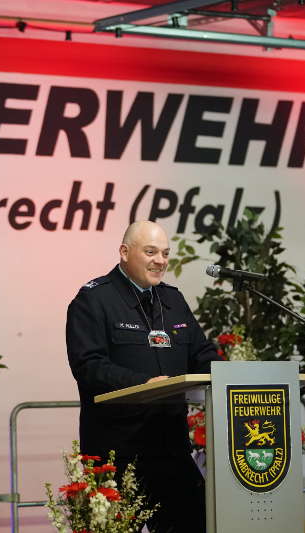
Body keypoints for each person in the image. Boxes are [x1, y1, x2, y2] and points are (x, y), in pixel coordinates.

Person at [66, 220, 222, 533]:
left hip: (169, 449)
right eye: (150, 252)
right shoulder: (93, 300)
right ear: (124, 252)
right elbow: (89, 366)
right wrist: (142, 385)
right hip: (116, 452)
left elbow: (203, 356)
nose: (161, 260)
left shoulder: (173, 300)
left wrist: (232, 374)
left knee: (199, 522)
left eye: (165, 253)